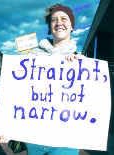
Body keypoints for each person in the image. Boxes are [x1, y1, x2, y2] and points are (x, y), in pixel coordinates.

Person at [25, 3, 80, 155]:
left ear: (72, 26)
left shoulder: (83, 64)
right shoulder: (33, 57)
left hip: (65, 143)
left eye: (64, 19)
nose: (59, 23)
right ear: (50, 27)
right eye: (54, 20)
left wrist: (78, 69)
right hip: (34, 138)